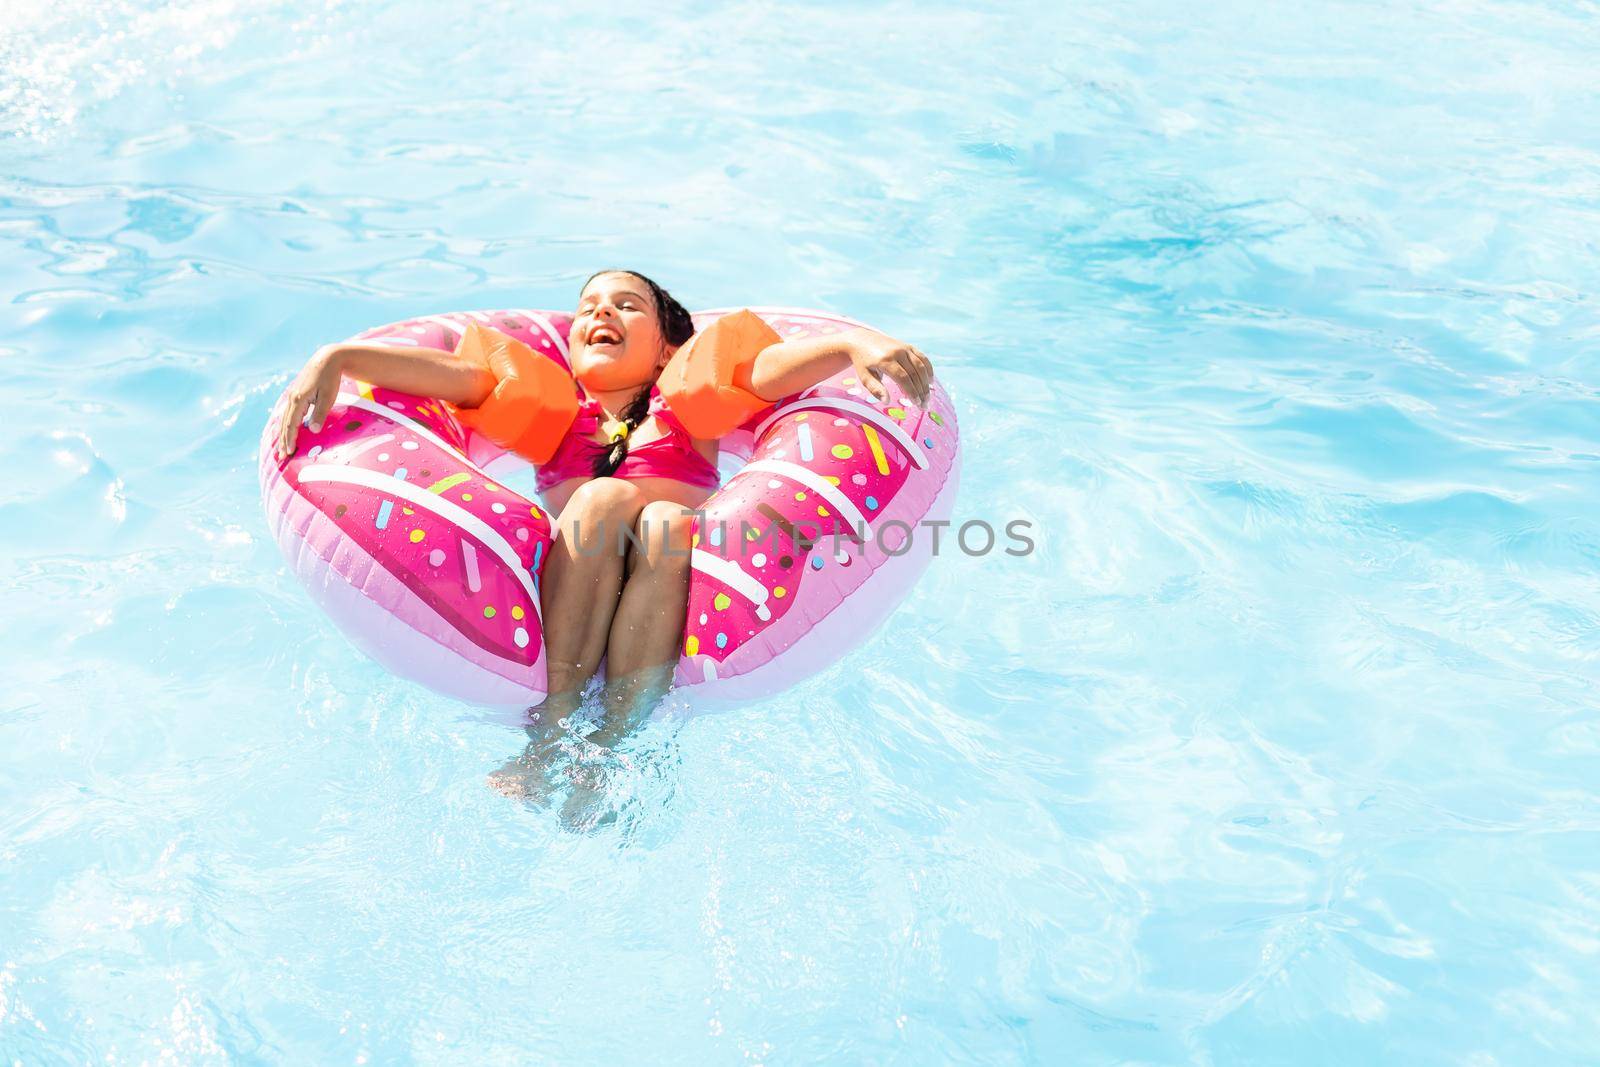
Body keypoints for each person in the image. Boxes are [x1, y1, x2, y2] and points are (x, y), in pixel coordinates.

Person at [272, 269, 934, 795]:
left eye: (627, 305)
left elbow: (769, 373)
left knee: (667, 518)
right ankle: (551, 730)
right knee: (608, 494)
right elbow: (448, 377)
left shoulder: (691, 398)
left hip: (666, 561)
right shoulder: (552, 407)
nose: (601, 315)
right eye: (589, 305)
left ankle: (616, 744)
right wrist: (336, 357)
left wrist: (854, 346)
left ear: (666, 348)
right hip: (576, 567)